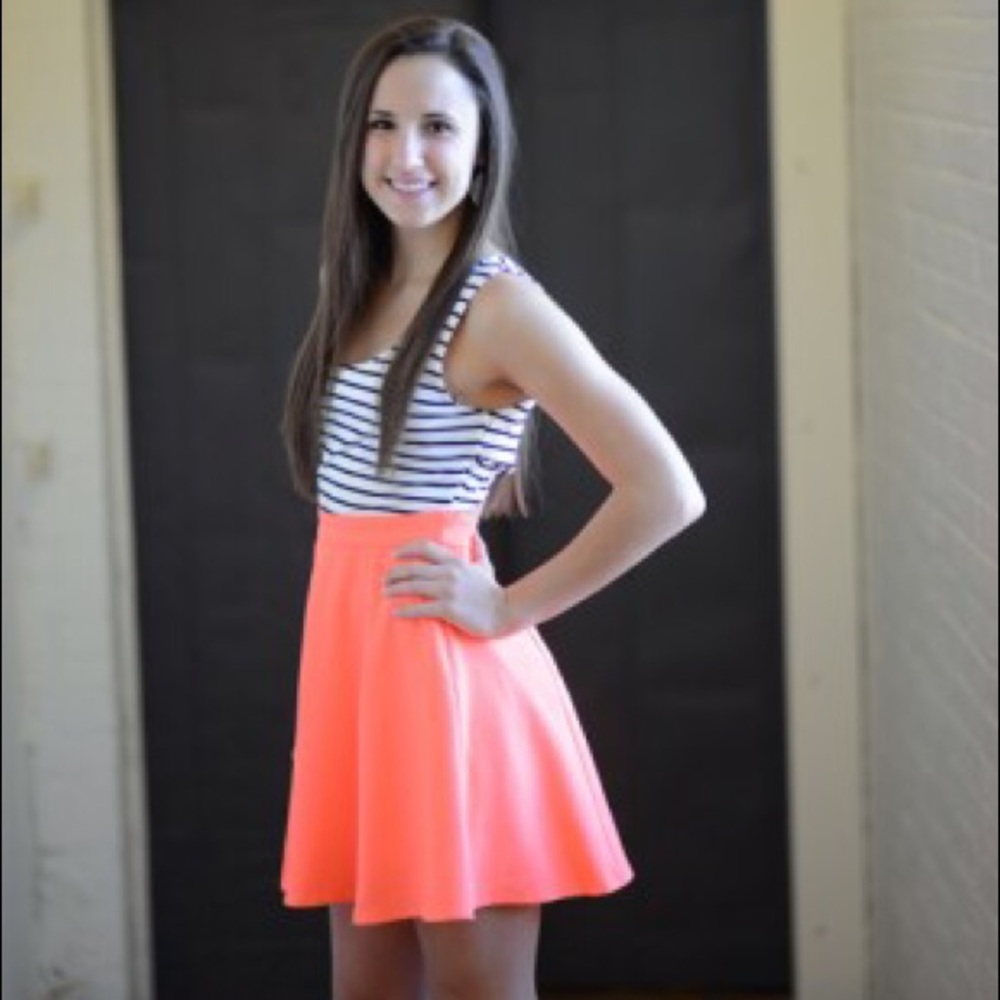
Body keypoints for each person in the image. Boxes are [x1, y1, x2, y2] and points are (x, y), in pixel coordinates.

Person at [279, 14, 706, 1000]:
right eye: (382, 126)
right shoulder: (354, 286)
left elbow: (666, 489)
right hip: (356, 682)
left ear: (481, 151)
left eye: (437, 127)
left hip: (445, 691)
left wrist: (509, 607)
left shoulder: (498, 306)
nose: (405, 154)